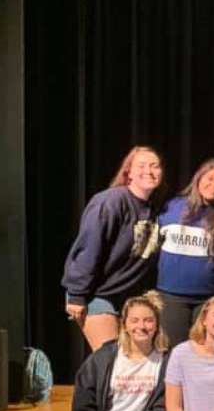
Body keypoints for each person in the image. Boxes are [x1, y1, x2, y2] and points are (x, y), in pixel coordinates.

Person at [62, 146, 163, 351]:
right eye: (141, 166)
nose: (149, 171)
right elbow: (89, 248)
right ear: (129, 173)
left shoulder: (154, 209)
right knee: (110, 360)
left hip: (127, 297)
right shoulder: (111, 201)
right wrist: (77, 294)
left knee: (131, 364)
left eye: (155, 166)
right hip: (98, 294)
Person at [155, 158, 214, 346]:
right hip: (172, 297)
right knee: (172, 353)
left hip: (210, 299)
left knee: (204, 354)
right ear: (198, 179)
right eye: (210, 179)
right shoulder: (172, 206)